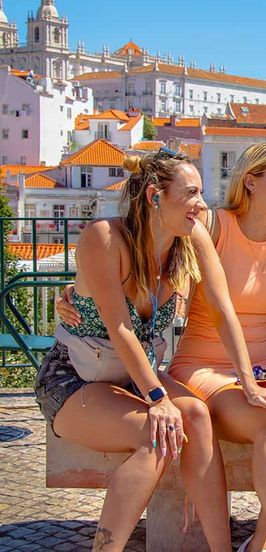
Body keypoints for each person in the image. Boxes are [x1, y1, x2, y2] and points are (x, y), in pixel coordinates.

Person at [36, 149, 244, 552]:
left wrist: (249, 384)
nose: (202, 204)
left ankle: (222, 550)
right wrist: (158, 399)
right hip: (76, 377)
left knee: (197, 416)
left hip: (133, 375)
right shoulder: (105, 237)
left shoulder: (188, 238)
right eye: (192, 193)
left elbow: (223, 310)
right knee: (157, 432)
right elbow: (120, 328)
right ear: (154, 196)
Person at [168, 144, 266, 552]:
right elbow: (157, 265)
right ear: (251, 179)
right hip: (205, 361)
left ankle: (261, 542)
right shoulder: (213, 225)